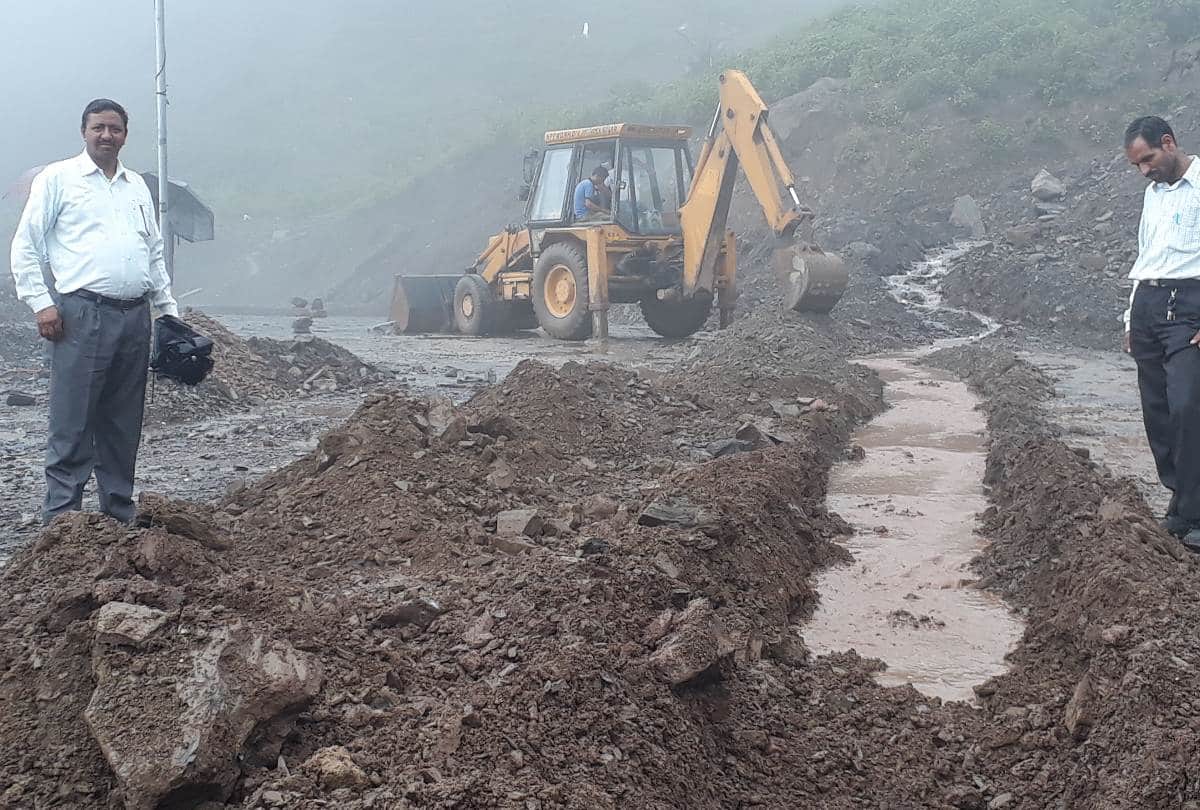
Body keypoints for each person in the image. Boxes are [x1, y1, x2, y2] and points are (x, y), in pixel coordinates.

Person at [9, 98, 178, 525]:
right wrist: (42, 303)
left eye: (115, 129)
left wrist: (167, 310)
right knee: (73, 420)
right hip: (82, 314)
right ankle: (64, 522)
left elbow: (152, 252)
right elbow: (26, 245)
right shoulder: (59, 179)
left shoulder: (135, 185)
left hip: (135, 317)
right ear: (84, 131)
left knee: (123, 423)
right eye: (99, 127)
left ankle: (118, 512)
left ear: (125, 134)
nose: (107, 135)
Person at [1122, 115, 1200, 549]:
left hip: (1190, 305)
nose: (1143, 171)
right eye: (1136, 165)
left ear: (1168, 143)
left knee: (1189, 407)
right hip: (1149, 306)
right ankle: (1180, 502)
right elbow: (1145, 255)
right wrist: (1131, 318)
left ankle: (1196, 511)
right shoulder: (1153, 196)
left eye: (1147, 160)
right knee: (1158, 411)